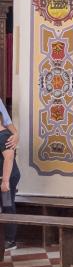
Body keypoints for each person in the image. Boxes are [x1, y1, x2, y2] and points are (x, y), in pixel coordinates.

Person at [0, 99, 19, 249]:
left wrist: (5, 181)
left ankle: (10, 240)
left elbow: (9, 157)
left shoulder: (4, 136)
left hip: (8, 177)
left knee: (7, 205)